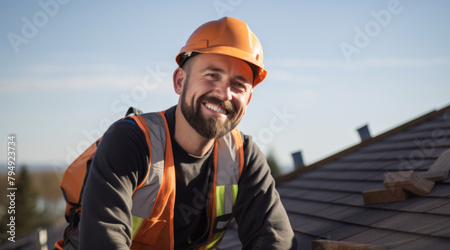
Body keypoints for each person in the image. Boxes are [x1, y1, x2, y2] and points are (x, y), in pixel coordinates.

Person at [68, 16, 295, 249]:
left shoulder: (243, 157)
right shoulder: (130, 142)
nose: (224, 94)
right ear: (179, 81)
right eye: (212, 75)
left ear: (247, 100)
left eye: (238, 84)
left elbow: (275, 240)